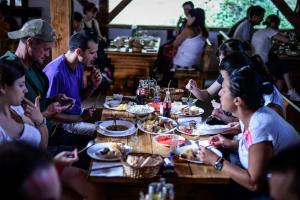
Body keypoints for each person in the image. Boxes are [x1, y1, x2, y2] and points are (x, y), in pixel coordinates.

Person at [0, 61, 104, 200]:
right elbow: (10, 179)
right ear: (2, 87)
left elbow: (41, 147)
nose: (25, 90)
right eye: (20, 85)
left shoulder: (18, 109)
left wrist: (41, 121)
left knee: (95, 188)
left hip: (41, 166)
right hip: (22, 184)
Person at [198, 66, 299, 197]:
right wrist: (228, 143)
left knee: (208, 191)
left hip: (280, 191)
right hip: (270, 185)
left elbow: (254, 184)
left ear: (238, 100)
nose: (219, 93)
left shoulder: (260, 125)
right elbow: (257, 150)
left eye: (224, 90)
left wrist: (215, 160)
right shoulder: (253, 114)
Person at [0, 18, 72, 132]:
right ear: (30, 42)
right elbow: (10, 122)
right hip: (31, 142)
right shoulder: (7, 68)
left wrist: (53, 101)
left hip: (50, 130)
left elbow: (38, 102)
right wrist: (47, 113)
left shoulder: (35, 69)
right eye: (45, 49)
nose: (48, 54)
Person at [43, 31, 102, 123]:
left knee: (108, 116)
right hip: (61, 125)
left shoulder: (79, 65)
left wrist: (93, 85)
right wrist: (80, 118)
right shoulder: (55, 72)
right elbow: (50, 114)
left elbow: (79, 98)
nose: (96, 56)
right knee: (100, 131)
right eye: (92, 53)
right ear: (78, 51)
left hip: (76, 114)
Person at [251, 14, 300, 101]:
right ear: (273, 23)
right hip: (262, 63)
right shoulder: (269, 30)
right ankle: (291, 92)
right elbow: (287, 40)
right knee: (284, 65)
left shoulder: (259, 31)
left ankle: (277, 95)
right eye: (278, 24)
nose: (278, 26)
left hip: (255, 61)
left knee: (280, 69)